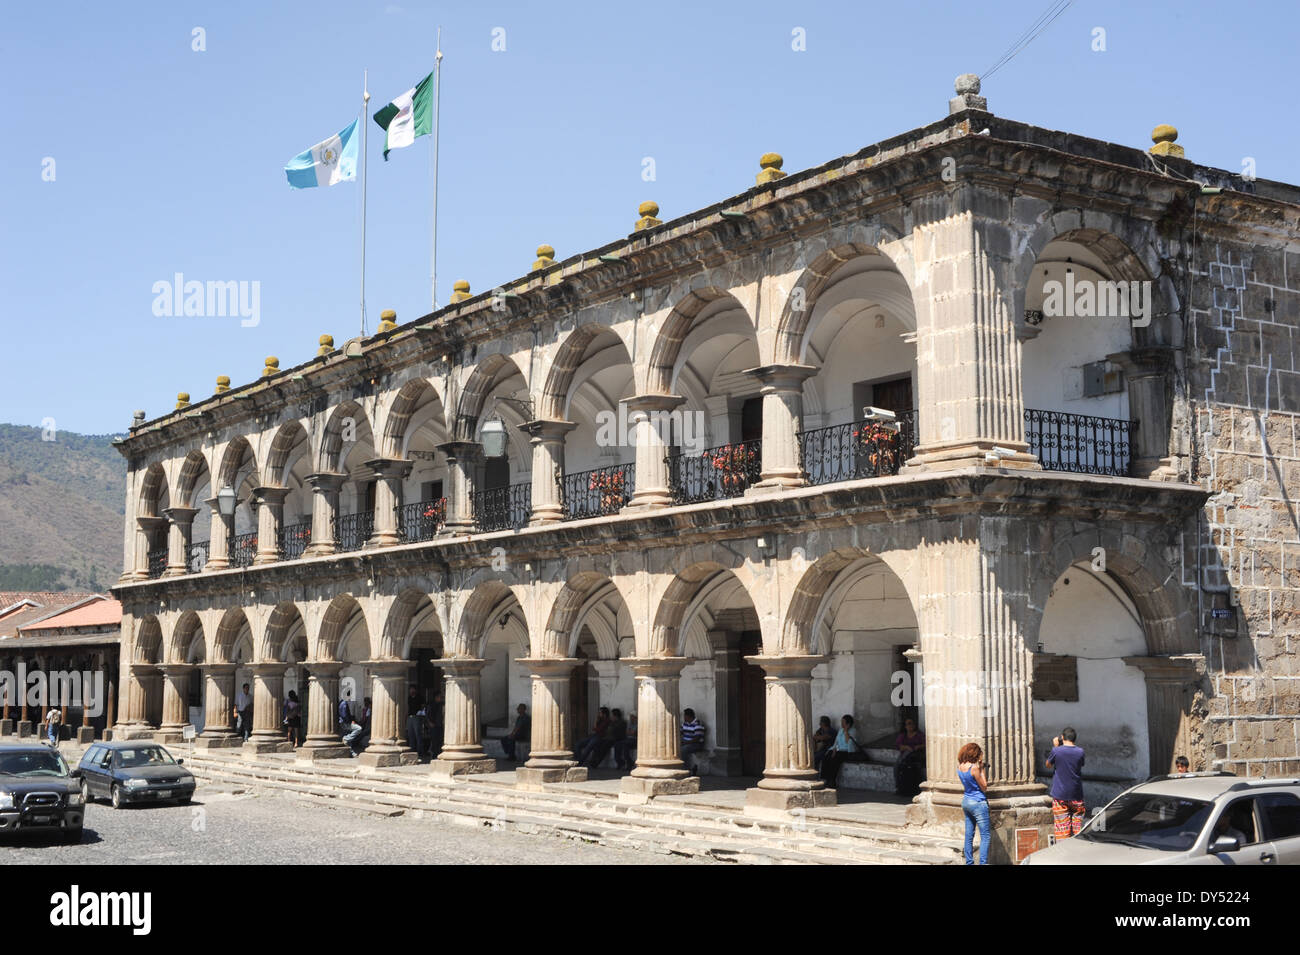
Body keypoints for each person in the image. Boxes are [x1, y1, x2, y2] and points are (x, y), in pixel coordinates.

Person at [1046, 727, 1086, 840]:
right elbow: (1080, 764)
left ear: (1062, 737)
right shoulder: (1080, 752)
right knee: (1078, 827)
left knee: (1062, 828)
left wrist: (1055, 747)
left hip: (1060, 795)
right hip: (1077, 794)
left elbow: (1048, 765)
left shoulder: (1056, 751)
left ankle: (1063, 852)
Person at [957, 742, 991, 865]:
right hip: (978, 803)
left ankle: (969, 862)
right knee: (985, 835)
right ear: (975, 754)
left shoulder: (960, 766)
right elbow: (984, 786)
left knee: (969, 835)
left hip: (966, 801)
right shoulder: (974, 768)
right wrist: (982, 769)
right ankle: (982, 863)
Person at [820, 714, 861, 786]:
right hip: (839, 750)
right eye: (841, 721)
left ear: (848, 724)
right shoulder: (840, 730)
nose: (841, 723)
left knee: (835, 760)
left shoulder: (853, 731)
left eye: (843, 722)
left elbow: (849, 743)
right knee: (827, 756)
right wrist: (834, 749)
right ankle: (824, 778)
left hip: (847, 751)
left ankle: (832, 780)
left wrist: (846, 731)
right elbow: (836, 741)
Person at [894, 717, 926, 795]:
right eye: (908, 724)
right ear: (905, 726)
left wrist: (918, 746)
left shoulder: (919, 735)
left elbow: (925, 744)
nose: (910, 726)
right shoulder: (903, 736)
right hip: (905, 755)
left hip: (917, 754)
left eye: (911, 724)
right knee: (897, 766)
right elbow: (898, 746)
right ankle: (899, 786)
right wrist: (906, 747)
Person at [680, 708, 706, 775]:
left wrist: (685, 742)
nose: (684, 717)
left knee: (684, 749)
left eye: (684, 716)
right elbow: (680, 732)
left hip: (697, 744)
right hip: (687, 743)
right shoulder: (685, 723)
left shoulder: (698, 724)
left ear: (689, 716)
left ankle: (686, 769)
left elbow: (696, 738)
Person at [339, 692, 364, 756]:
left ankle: (353, 753)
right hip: (345, 723)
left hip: (343, 722)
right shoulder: (344, 703)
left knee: (348, 742)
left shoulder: (341, 702)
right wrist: (350, 721)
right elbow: (345, 715)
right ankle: (346, 738)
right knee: (359, 728)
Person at [406, 686, 426, 760]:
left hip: (417, 716)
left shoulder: (420, 697)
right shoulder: (409, 698)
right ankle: (412, 750)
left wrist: (420, 712)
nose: (411, 691)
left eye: (412, 689)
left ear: (415, 690)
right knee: (411, 734)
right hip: (410, 717)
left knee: (418, 734)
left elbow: (423, 706)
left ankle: (420, 751)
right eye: (410, 689)